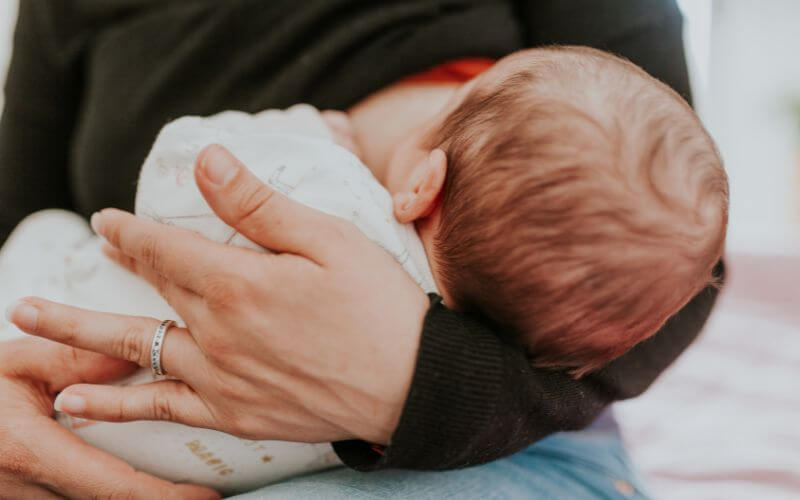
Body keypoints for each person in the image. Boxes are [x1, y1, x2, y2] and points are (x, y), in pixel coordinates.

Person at [0, 1, 724, 498]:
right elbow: (15, 212)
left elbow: (676, 264)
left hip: (498, 445)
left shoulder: (308, 167)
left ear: (418, 186)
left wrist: (413, 382)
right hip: (78, 417)